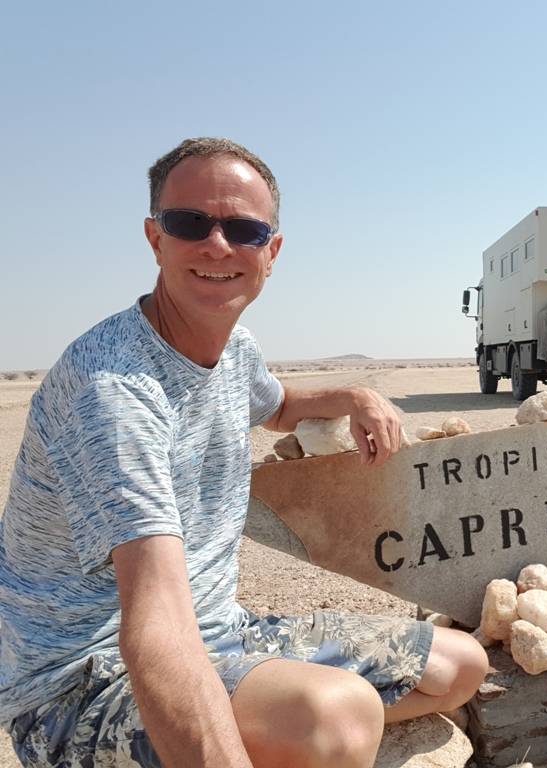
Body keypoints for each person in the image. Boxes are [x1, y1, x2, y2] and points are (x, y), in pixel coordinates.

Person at [0, 137, 488, 768]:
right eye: (190, 223)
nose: (218, 245)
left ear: (271, 252)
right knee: (337, 716)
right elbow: (154, 625)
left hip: (221, 633)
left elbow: (278, 404)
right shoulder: (113, 393)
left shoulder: (235, 351)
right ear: (155, 238)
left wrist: (357, 395)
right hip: (84, 683)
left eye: (244, 229)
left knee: (458, 666)